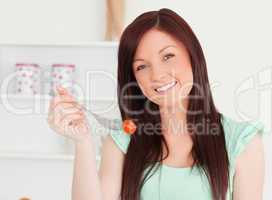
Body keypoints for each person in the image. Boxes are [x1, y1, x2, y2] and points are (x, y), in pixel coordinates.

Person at [47, 8, 266, 200]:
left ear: (193, 56)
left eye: (168, 56)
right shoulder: (123, 139)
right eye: (142, 66)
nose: (157, 75)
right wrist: (82, 142)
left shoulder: (242, 141)